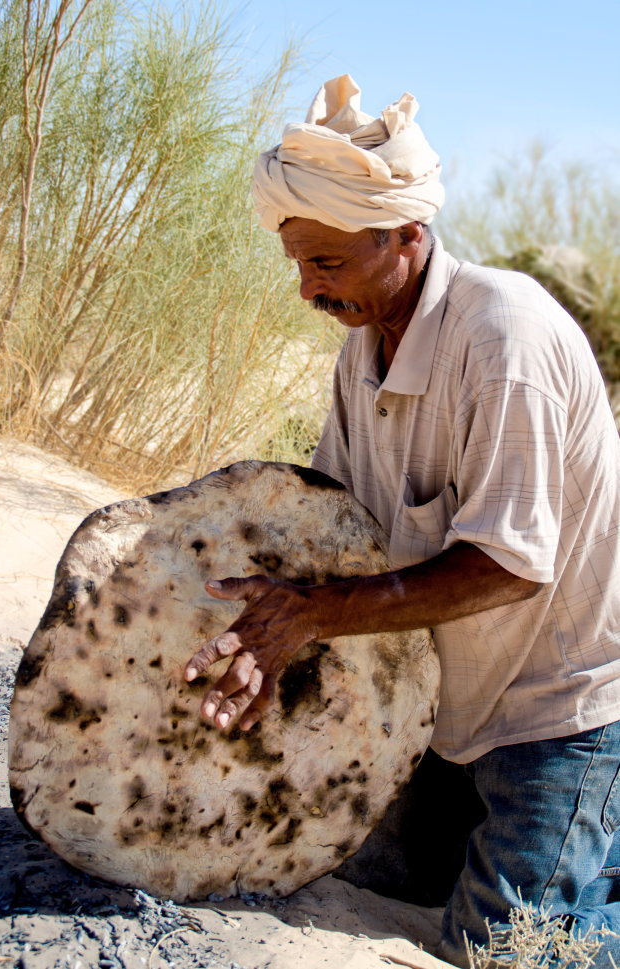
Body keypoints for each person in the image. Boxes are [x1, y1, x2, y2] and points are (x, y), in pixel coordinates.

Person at [184, 75, 620, 966]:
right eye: (299, 264)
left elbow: (507, 564)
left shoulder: (506, 339)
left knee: (505, 951)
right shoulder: (365, 352)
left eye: (327, 263)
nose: (306, 288)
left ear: (407, 236)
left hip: (558, 716)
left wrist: (310, 614)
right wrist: (263, 633)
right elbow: (334, 528)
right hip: (443, 712)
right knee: (343, 865)